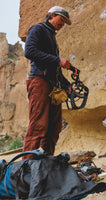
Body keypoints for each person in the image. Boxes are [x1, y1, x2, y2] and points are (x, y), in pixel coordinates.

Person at [23, 6, 78, 159]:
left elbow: (54, 67)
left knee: (54, 127)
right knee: (38, 125)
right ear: (52, 15)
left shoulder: (51, 36)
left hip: (51, 84)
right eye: (61, 20)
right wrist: (58, 60)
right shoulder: (38, 29)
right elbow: (29, 51)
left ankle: (45, 163)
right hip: (39, 81)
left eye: (65, 22)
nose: (62, 24)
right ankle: (27, 166)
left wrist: (67, 85)